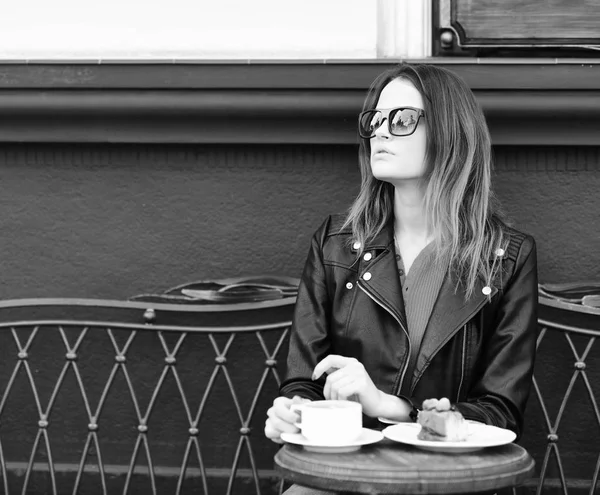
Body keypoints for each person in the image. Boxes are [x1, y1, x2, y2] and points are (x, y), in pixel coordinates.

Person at [265, 63, 538, 494]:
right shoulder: (335, 244)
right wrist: (294, 410)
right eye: (375, 118)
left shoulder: (505, 258)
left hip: (447, 479)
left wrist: (393, 408)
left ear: (450, 132)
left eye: (403, 118)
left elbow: (500, 411)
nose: (381, 131)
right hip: (343, 476)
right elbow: (305, 378)